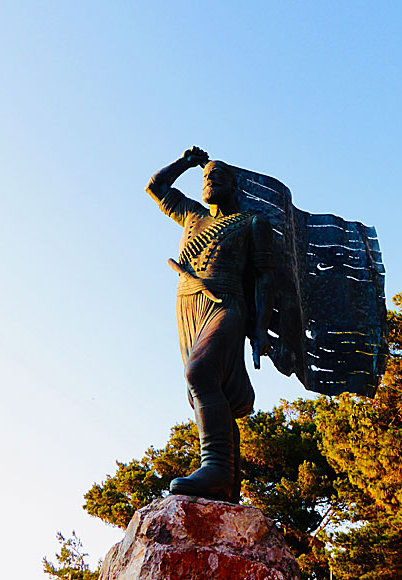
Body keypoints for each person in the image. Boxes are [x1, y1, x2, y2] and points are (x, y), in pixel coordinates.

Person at [146, 146, 275, 503]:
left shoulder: (252, 223)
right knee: (204, 388)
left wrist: (260, 328)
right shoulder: (192, 216)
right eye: (206, 175)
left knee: (199, 373)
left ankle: (215, 467)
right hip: (188, 305)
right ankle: (227, 485)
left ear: (235, 186)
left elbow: (265, 277)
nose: (210, 179)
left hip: (227, 303)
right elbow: (156, 187)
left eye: (219, 175)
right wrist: (186, 163)